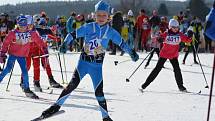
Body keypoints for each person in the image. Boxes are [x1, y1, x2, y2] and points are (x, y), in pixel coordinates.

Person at [39, 1, 139, 121]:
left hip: (96, 67)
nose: (101, 18)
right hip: (83, 63)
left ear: (108, 17)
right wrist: (65, 44)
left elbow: (122, 43)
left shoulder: (110, 32)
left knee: (99, 93)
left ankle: (105, 117)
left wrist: (131, 52)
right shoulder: (89, 27)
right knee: (72, 85)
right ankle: (55, 106)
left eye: (104, 15)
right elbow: (72, 34)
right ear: (94, 15)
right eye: (99, 15)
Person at [0, 15, 46, 99]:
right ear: (17, 25)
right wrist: (2, 54)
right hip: (13, 54)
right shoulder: (13, 33)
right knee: (7, 69)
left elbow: (39, 40)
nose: (23, 28)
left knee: (25, 72)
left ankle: (26, 88)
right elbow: (5, 43)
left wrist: (44, 49)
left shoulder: (30, 33)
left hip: (22, 56)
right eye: (21, 26)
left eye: (25, 26)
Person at [140, 19, 192, 92]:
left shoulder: (179, 34)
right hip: (164, 54)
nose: (176, 29)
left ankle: (181, 87)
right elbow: (157, 38)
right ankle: (144, 85)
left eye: (177, 27)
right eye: (174, 27)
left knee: (177, 70)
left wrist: (190, 35)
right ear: (170, 27)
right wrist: (159, 39)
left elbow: (187, 40)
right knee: (157, 69)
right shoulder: (166, 33)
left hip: (173, 55)